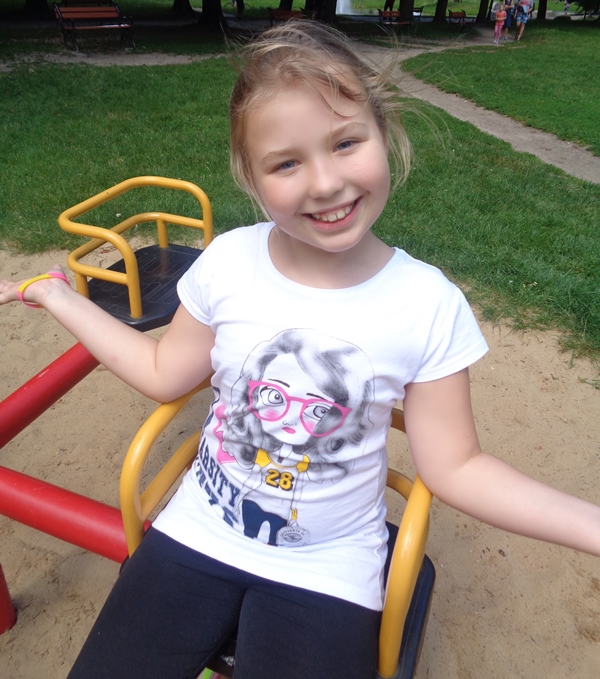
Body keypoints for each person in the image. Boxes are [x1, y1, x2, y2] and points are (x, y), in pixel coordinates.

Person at [1, 21, 599, 679]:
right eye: (286, 163)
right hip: (197, 529)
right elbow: (161, 370)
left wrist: (591, 526)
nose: (324, 182)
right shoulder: (228, 263)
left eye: (345, 143)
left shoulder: (426, 303)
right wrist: (59, 297)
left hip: (328, 567)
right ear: (251, 178)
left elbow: (457, 466)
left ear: (384, 134)